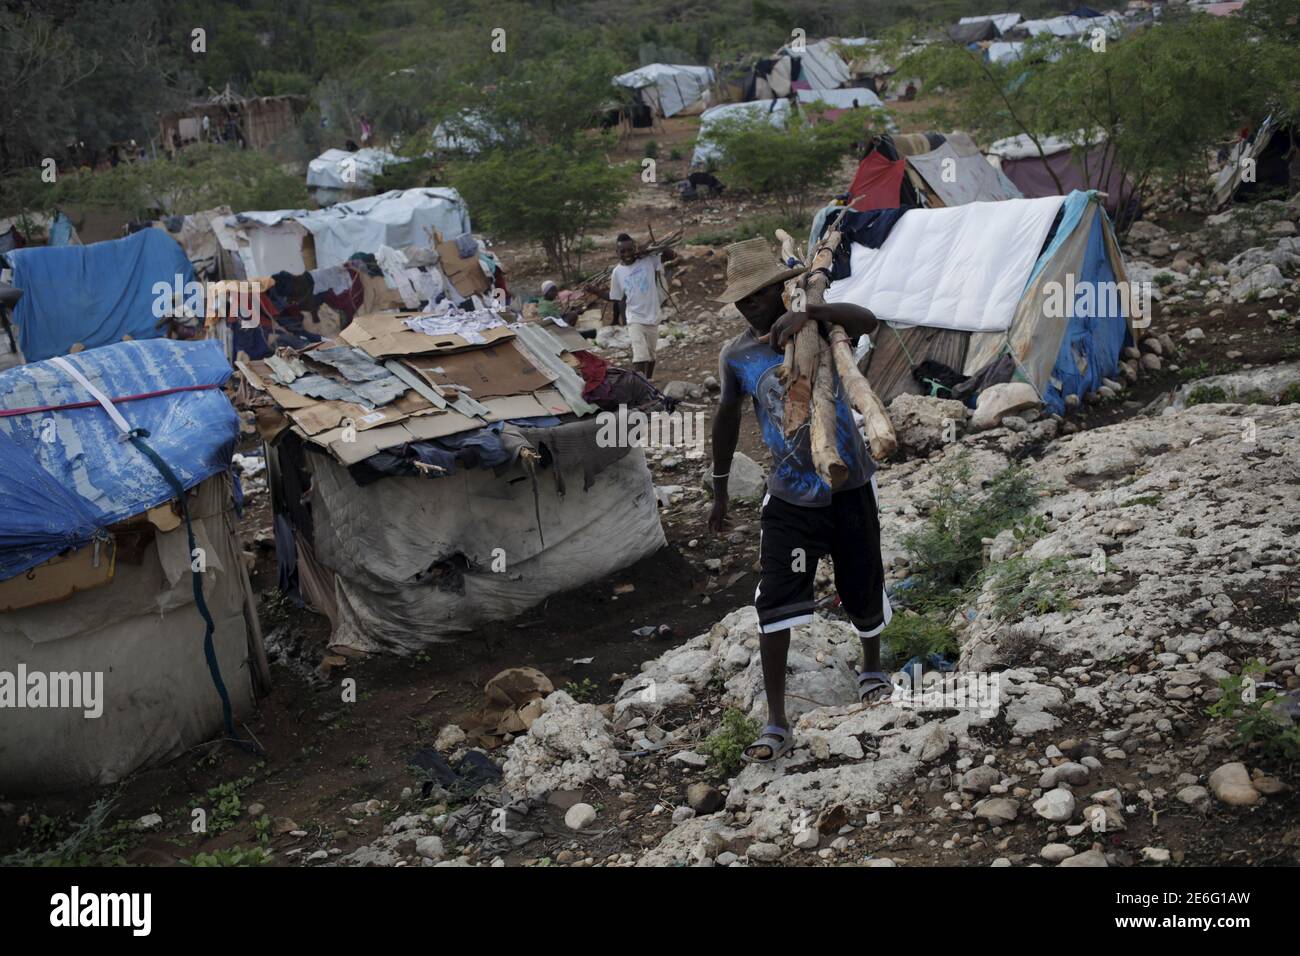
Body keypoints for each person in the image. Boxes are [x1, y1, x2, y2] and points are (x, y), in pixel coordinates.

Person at [708, 237, 892, 764]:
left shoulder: (823, 328)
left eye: (758, 296)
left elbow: (869, 320)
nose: (750, 307)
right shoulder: (738, 356)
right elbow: (726, 417)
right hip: (789, 495)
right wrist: (720, 487)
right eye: (742, 301)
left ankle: (871, 667)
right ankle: (776, 720)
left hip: (848, 485)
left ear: (778, 290)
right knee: (776, 601)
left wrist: (812, 313)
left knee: (863, 579)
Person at [609, 233, 675, 380]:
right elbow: (618, 298)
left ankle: (648, 382)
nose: (627, 254)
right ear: (617, 252)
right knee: (640, 355)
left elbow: (671, 255)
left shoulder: (648, 260)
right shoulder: (617, 272)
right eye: (622, 251)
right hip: (634, 318)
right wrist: (623, 320)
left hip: (653, 316)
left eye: (630, 250)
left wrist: (653, 249)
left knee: (651, 355)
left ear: (635, 248)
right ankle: (640, 385)